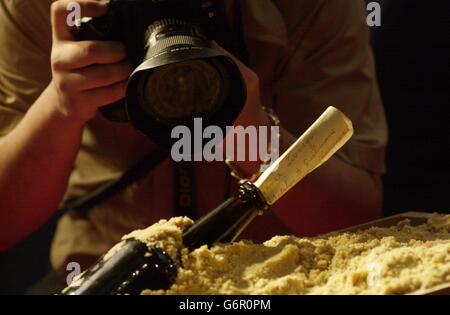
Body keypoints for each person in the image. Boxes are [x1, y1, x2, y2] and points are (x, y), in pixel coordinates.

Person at [0, 0, 387, 281]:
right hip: (104, 270)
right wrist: (61, 106)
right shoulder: (47, 7)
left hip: (280, 274)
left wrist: (249, 131)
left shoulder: (310, 8)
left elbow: (353, 217)